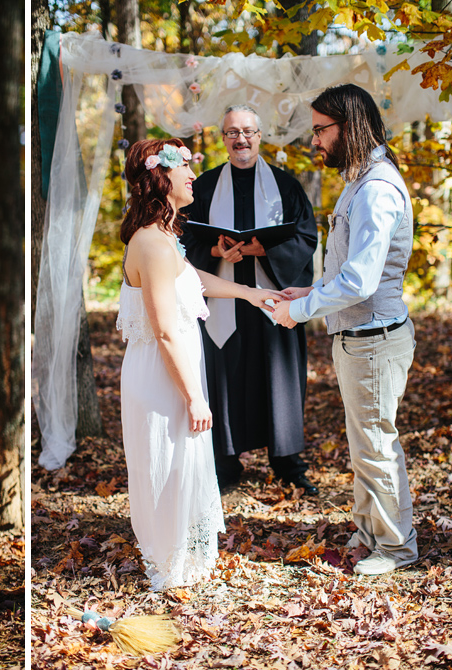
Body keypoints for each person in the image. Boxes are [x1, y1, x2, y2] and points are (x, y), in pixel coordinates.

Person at [117, 138, 285, 590]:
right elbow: (165, 329)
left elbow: (194, 280)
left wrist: (252, 294)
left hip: (176, 368)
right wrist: (194, 397)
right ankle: (169, 570)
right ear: (160, 177)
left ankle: (186, 563)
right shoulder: (150, 243)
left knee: (184, 463)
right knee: (168, 466)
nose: (194, 173)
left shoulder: (166, 237)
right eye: (185, 166)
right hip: (160, 375)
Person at [273, 84, 417, 576]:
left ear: (349, 125)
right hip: (359, 339)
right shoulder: (361, 180)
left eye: (320, 130)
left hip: (374, 340)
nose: (315, 140)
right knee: (364, 446)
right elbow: (346, 268)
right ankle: (369, 534)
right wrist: (306, 293)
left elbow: (361, 279)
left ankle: (397, 549)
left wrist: (301, 310)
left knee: (376, 446)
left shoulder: (376, 188)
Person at [181, 104, 320, 495]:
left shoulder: (286, 185)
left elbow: (305, 237)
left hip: (272, 300)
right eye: (231, 132)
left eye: (247, 131)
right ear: (222, 138)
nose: (240, 139)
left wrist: (264, 250)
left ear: (260, 136)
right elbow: (183, 238)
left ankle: (287, 462)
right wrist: (214, 253)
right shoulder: (203, 187)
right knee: (224, 378)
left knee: (278, 379)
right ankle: (225, 463)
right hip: (221, 301)